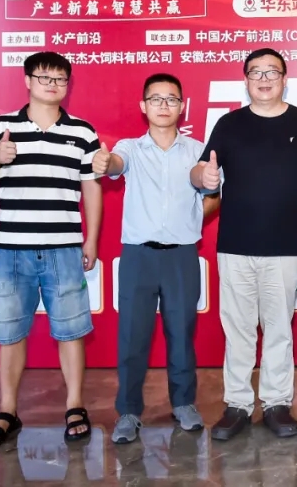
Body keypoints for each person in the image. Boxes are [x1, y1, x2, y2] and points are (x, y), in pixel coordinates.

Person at [190, 48, 297, 440]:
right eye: (256, 72)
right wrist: (205, 177)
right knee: (238, 329)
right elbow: (202, 169)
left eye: (272, 72)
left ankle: (276, 403)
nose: (264, 79)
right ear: (246, 80)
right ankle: (237, 404)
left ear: (285, 78)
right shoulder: (229, 124)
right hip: (234, 245)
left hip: (284, 247)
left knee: (279, 328)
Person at [0, 51, 101, 449]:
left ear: (67, 85)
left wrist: (91, 239)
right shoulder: (1, 127)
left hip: (64, 249)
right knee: (10, 333)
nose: (52, 84)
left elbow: (92, 187)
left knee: (71, 331)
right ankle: (7, 411)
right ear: (28, 81)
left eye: (60, 79)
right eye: (44, 77)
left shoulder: (82, 132)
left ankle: (75, 405)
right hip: (13, 250)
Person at [93, 73, 221, 444]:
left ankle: (183, 403)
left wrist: (205, 180)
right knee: (132, 336)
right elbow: (116, 164)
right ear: (143, 106)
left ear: (183, 106)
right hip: (139, 257)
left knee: (181, 333)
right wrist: (105, 161)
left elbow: (202, 180)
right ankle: (128, 411)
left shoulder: (197, 149)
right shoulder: (130, 148)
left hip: (181, 256)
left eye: (171, 99)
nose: (164, 105)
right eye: (156, 99)